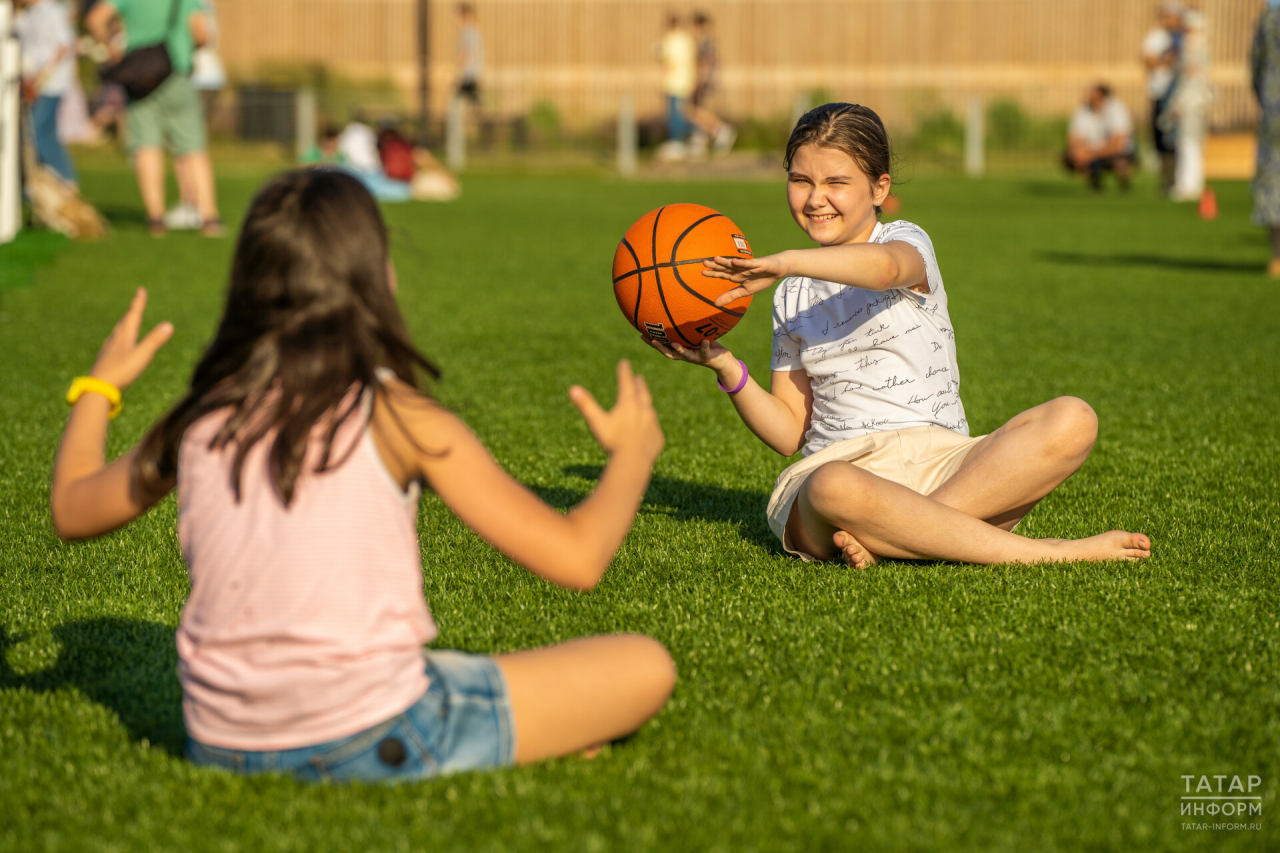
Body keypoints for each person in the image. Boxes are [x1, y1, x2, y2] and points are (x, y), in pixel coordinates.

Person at [48, 168, 675, 782]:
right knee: (645, 664)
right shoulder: (399, 417)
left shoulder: (203, 415)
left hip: (218, 745)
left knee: (455, 670)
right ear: (377, 277)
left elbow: (73, 510)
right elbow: (578, 557)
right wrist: (632, 454)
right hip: (380, 734)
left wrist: (99, 389)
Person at [647, 103, 1152, 568]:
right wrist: (725, 367)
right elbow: (788, 433)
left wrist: (783, 261)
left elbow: (887, 269)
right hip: (845, 474)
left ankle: (902, 534)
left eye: (836, 182)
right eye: (801, 180)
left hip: (945, 462)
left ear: (880, 189)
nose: (816, 198)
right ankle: (1041, 553)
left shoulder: (906, 241)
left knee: (1072, 419)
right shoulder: (789, 295)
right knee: (830, 487)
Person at [85, 0, 223, 237]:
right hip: (176, 72)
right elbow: (200, 34)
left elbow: (94, 20)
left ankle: (156, 219)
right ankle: (209, 218)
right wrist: (187, 46)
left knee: (147, 146)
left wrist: (110, 48)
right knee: (192, 148)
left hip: (139, 77)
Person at [165, 0, 225, 230]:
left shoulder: (189, 5)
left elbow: (200, 37)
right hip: (210, 78)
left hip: (195, 78)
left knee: (185, 145)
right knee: (190, 144)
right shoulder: (205, 6)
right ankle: (195, 205)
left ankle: (192, 205)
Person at [15, 0, 79, 184]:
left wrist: (42, 75)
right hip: (33, 84)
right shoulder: (28, 15)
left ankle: (65, 180)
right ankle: (46, 182)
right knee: (41, 132)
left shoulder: (52, 11)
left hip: (52, 83)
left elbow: (65, 45)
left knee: (37, 131)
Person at [1251, 0, 1280, 277]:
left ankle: (1277, 256)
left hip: (1275, 107)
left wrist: (1266, 98)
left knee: (1274, 180)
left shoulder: (1270, 17)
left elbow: (1256, 63)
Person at [1169, 8, 1210, 202]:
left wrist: (1181, 103)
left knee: (1190, 144)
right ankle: (1186, 183)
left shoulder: (1196, 50)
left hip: (1192, 104)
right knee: (1185, 144)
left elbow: (1192, 81)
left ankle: (1190, 185)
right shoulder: (1189, 49)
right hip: (1186, 103)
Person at [1064, 84, 1136, 191]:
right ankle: (1094, 183)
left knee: (1120, 162)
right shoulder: (1083, 110)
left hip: (1115, 153)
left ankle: (1124, 184)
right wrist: (1080, 151)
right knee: (1072, 156)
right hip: (1092, 151)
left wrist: (1090, 154)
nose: (1089, 98)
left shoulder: (1117, 109)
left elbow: (1118, 144)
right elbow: (1074, 137)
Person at [1142, 3, 1183, 192]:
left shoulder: (1183, 37)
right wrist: (1165, 61)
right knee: (1160, 138)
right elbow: (1147, 60)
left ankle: (1176, 177)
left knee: (1175, 139)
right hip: (1160, 93)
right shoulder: (1157, 37)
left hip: (1178, 97)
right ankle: (1165, 177)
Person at [685, 12, 735, 158]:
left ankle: (721, 130)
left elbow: (705, 63)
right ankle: (702, 139)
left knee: (694, 110)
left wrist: (699, 81)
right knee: (696, 110)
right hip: (706, 79)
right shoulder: (707, 41)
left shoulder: (704, 42)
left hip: (704, 80)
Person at [656, 13, 696, 161]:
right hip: (686, 81)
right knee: (684, 112)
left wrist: (662, 81)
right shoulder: (687, 39)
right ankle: (692, 139)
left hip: (673, 82)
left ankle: (677, 143)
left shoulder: (669, 39)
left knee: (674, 114)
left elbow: (667, 62)